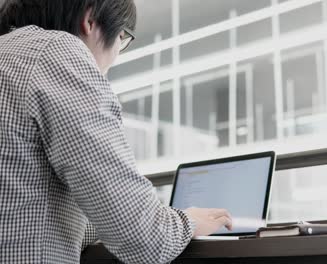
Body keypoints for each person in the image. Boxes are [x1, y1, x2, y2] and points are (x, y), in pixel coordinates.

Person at [0, 0, 233, 263]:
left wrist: (106, 219)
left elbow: (24, 209)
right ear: (90, 21)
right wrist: (187, 220)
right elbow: (143, 238)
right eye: (122, 38)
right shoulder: (56, 53)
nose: (115, 57)